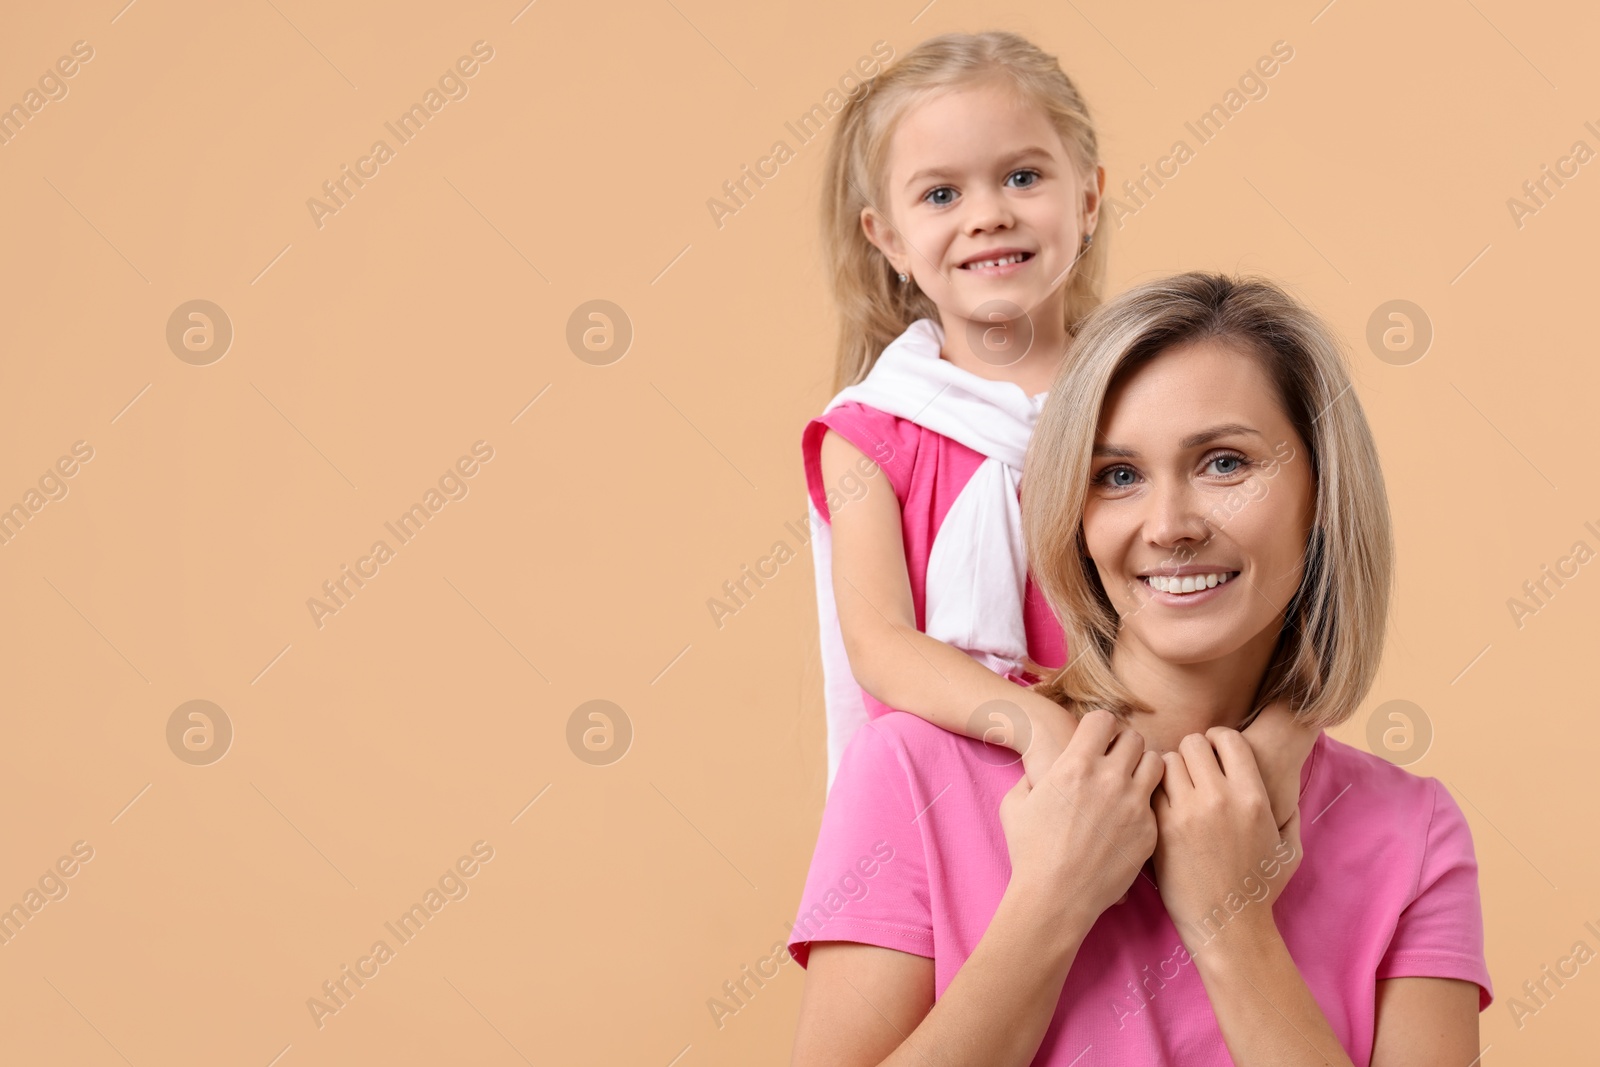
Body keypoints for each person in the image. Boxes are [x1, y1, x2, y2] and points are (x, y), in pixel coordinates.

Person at [787, 272, 1493, 1066]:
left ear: (1321, 493)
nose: (1168, 527)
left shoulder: (1412, 834)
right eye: (1117, 476)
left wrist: (1234, 925)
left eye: (1225, 463)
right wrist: (1052, 898)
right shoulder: (914, 776)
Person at [802, 30, 1315, 827]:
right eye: (942, 195)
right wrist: (1035, 724)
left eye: (1023, 176)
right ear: (889, 240)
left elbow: (1278, 585)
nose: (989, 216)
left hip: (1151, 785)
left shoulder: (1144, 397)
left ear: (1086, 197)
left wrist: (1289, 733)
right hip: (955, 796)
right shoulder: (873, 431)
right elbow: (879, 642)